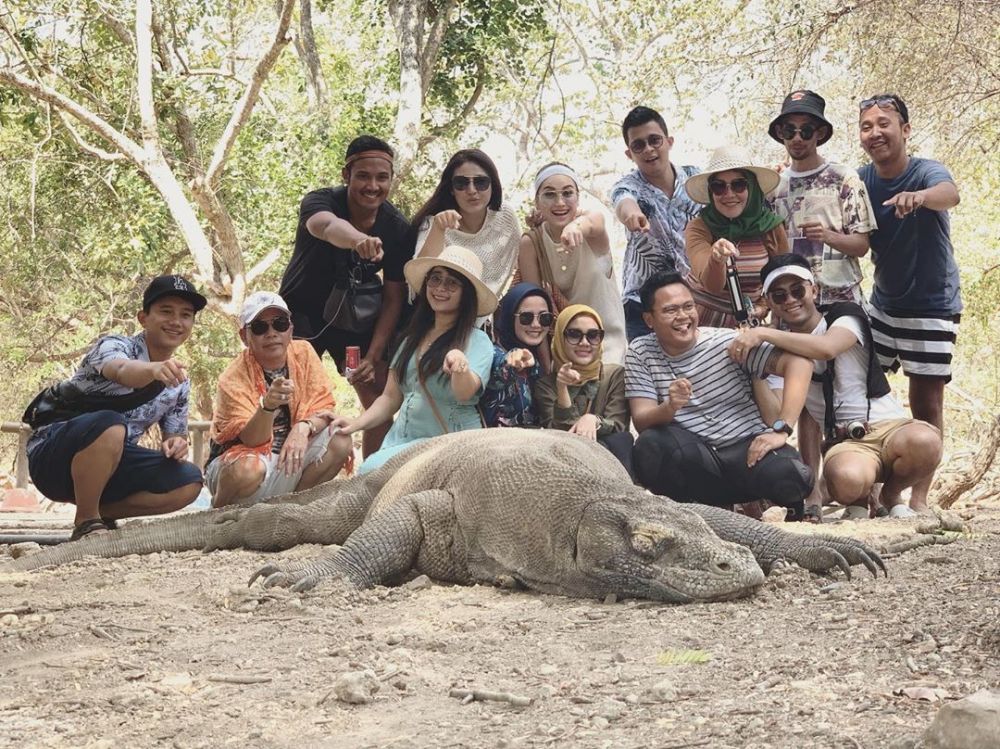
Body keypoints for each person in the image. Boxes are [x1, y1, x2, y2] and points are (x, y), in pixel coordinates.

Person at [732, 255, 943, 519]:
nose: (791, 300)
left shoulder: (844, 315)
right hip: (847, 443)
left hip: (889, 426)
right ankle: (859, 496)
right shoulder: (778, 354)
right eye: (779, 295)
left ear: (814, 290)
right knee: (846, 481)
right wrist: (755, 368)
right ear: (771, 303)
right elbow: (780, 416)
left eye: (798, 290)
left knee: (927, 440)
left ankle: (891, 493)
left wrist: (762, 333)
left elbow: (827, 348)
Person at [24, 275, 206, 539]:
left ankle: (101, 512)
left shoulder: (178, 382)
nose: (176, 322)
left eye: (186, 315)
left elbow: (174, 435)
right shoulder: (114, 345)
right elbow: (121, 370)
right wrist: (153, 370)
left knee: (189, 480)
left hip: (114, 465)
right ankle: (86, 522)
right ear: (143, 318)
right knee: (110, 424)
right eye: (166, 311)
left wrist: (176, 444)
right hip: (53, 458)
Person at [625, 271, 814, 520]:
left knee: (792, 476)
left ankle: (779, 511)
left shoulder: (728, 342)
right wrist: (669, 407)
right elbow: (641, 419)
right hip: (700, 459)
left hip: (750, 451)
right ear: (649, 319)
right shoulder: (640, 352)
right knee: (650, 446)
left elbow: (800, 364)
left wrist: (782, 429)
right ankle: (699, 514)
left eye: (688, 306)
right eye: (671, 310)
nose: (683, 317)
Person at [278, 135, 413, 458]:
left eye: (382, 177)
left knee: (377, 392)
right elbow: (324, 227)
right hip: (302, 316)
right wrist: (358, 240)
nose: (373, 185)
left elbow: (394, 297)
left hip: (354, 322)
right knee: (289, 397)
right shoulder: (320, 201)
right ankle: (281, 473)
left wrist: (374, 355)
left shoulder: (395, 227)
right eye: (363, 176)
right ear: (346, 175)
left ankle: (372, 475)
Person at [332, 246, 498, 474]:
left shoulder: (477, 341)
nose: (440, 288)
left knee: (371, 470)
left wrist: (460, 367)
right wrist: (354, 424)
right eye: (435, 279)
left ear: (466, 293)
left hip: (449, 445)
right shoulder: (410, 339)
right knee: (370, 471)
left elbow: (464, 393)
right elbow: (390, 398)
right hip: (400, 441)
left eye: (452, 283)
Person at [857, 93, 961, 441]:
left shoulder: (926, 171)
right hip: (883, 306)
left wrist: (921, 197)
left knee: (926, 405)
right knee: (859, 390)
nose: (875, 133)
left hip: (930, 306)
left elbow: (950, 193)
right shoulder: (860, 181)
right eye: (866, 127)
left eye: (883, 124)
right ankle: (865, 485)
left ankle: (918, 497)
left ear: (905, 129)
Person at [205, 292, 354, 507]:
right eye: (259, 327)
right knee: (248, 469)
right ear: (244, 337)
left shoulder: (304, 353)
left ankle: (289, 509)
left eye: (280, 324)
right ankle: (217, 512)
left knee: (341, 439)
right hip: (242, 465)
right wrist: (268, 406)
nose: (272, 333)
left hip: (290, 456)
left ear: (290, 330)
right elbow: (251, 440)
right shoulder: (232, 377)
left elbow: (324, 407)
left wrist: (303, 428)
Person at [768, 90, 876, 305]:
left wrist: (827, 236)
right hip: (792, 305)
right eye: (790, 130)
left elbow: (862, 245)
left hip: (841, 303)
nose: (797, 138)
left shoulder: (844, 178)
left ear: (820, 133)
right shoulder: (772, 187)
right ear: (780, 132)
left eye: (806, 131)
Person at [517, 162, 627, 362]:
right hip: (561, 356)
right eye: (549, 194)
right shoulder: (531, 243)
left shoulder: (594, 227)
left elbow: (594, 223)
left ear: (578, 197)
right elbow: (537, 311)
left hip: (609, 352)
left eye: (567, 193)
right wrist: (546, 367)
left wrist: (576, 227)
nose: (560, 202)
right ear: (537, 202)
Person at [610, 106, 701, 342]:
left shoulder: (697, 180)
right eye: (638, 145)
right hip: (642, 307)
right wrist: (631, 214)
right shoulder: (627, 185)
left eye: (654, 140)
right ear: (630, 153)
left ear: (669, 141)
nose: (648, 149)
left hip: (694, 303)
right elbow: (623, 201)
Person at [683, 145, 789, 328]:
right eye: (719, 187)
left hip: (747, 325)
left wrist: (764, 305)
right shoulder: (699, 227)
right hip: (698, 324)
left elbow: (783, 278)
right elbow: (711, 285)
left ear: (752, 188)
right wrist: (717, 259)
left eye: (739, 185)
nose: (729, 194)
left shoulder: (771, 226)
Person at [411, 149, 520, 307]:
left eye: (480, 182)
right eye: (461, 183)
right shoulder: (435, 222)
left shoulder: (506, 217)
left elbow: (520, 260)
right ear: (451, 189)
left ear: (493, 185)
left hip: (484, 315)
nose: (472, 190)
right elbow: (420, 278)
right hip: (435, 313)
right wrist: (438, 229)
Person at [534, 305, 633, 477]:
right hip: (566, 468)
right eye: (574, 334)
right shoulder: (546, 385)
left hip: (610, 466)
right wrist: (562, 388)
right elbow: (560, 434)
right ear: (559, 338)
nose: (585, 343)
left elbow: (618, 425)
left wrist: (593, 420)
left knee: (621, 440)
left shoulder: (614, 375)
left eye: (593, 335)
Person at [480, 283, 553, 428]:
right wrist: (513, 361)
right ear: (508, 317)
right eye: (526, 317)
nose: (536, 324)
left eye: (544, 318)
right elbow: (500, 371)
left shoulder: (536, 362)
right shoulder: (491, 354)